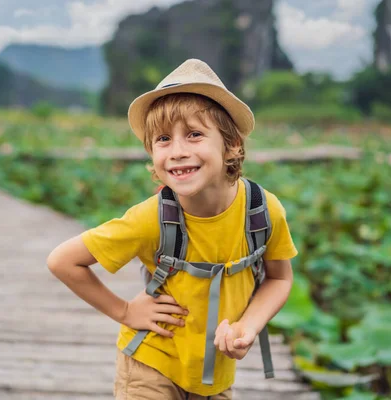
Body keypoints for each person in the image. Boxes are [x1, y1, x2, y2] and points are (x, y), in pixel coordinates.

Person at [47, 59, 298, 400]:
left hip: (214, 373)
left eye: (194, 134)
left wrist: (248, 326)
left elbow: (280, 279)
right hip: (151, 362)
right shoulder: (149, 217)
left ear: (231, 144)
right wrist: (124, 311)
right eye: (163, 139)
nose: (178, 151)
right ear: (152, 154)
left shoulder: (262, 211)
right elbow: (62, 261)